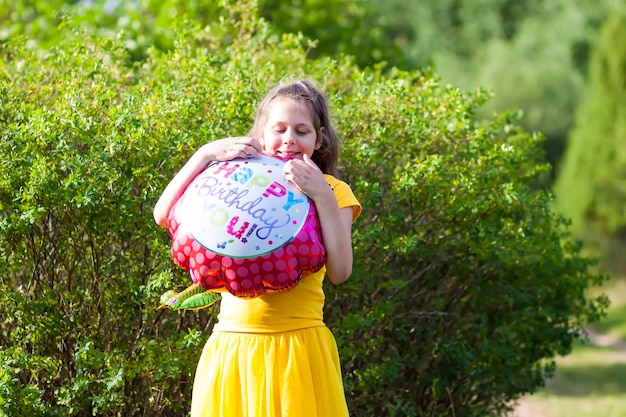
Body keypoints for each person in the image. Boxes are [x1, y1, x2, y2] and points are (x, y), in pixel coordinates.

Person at [153, 80, 362, 417]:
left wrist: (320, 193)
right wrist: (204, 154)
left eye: (302, 131)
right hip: (233, 345)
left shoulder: (334, 191)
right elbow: (163, 214)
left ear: (319, 138)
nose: (289, 139)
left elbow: (341, 271)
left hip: (298, 349)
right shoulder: (233, 177)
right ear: (262, 134)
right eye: (279, 129)